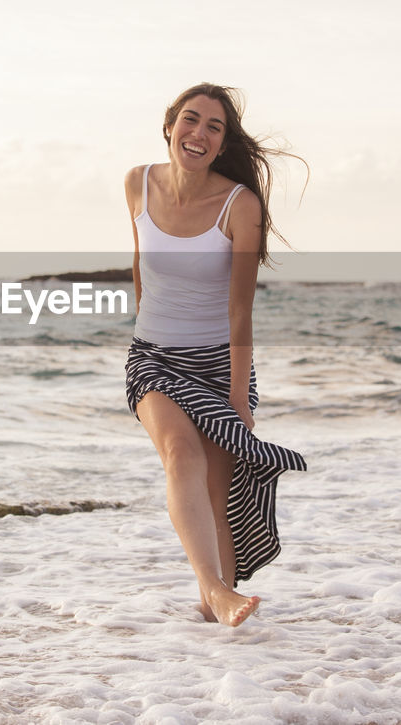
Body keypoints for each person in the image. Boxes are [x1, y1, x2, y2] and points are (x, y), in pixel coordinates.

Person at [124, 83, 307, 626]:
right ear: (169, 125)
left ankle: (217, 622)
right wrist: (148, 331)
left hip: (219, 363)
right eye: (191, 119)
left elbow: (240, 310)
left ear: (224, 143)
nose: (199, 133)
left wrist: (237, 399)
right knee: (182, 454)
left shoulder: (240, 205)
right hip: (153, 359)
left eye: (214, 127)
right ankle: (215, 590)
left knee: (218, 493)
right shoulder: (137, 183)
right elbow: (141, 270)